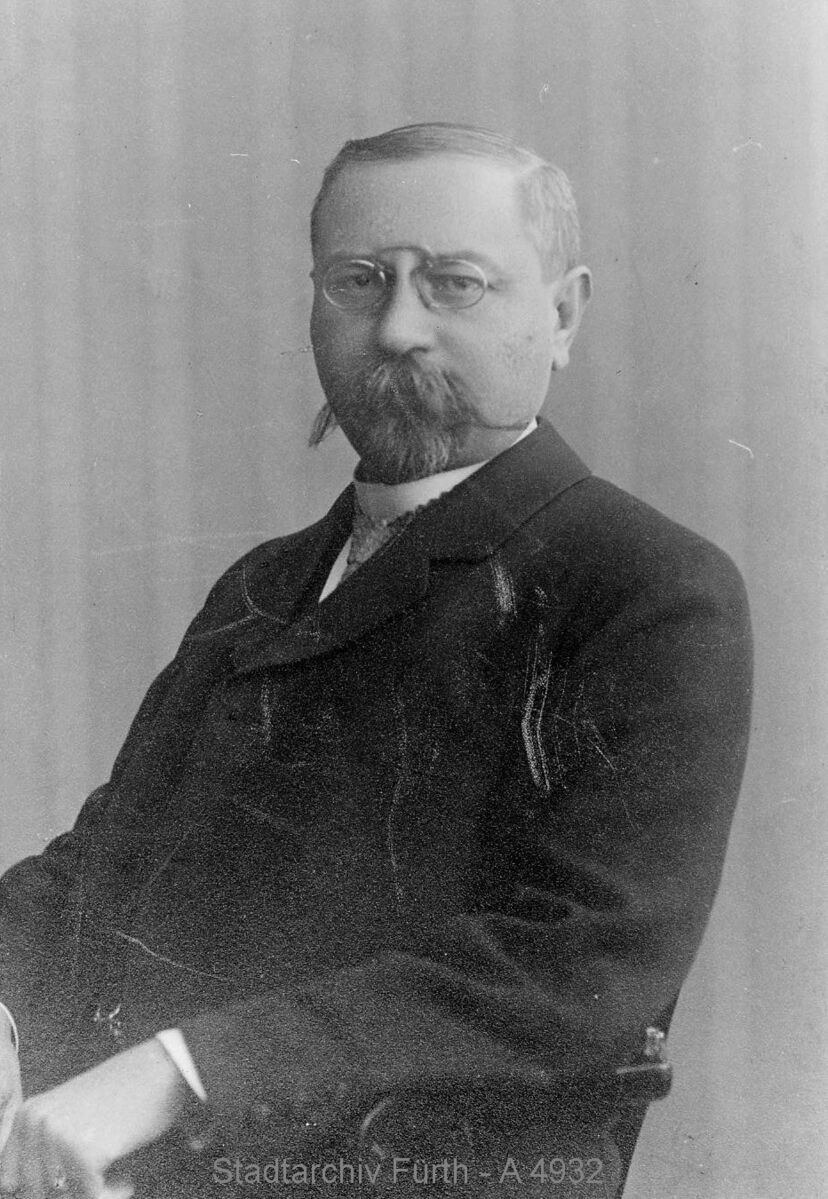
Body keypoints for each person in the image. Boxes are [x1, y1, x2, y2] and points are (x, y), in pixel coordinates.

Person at [0, 123, 752, 1198]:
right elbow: (108, 859)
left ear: (563, 314)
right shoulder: (266, 581)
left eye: (455, 282)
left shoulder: (645, 585)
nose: (397, 328)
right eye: (359, 280)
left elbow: (576, 965)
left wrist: (179, 1072)